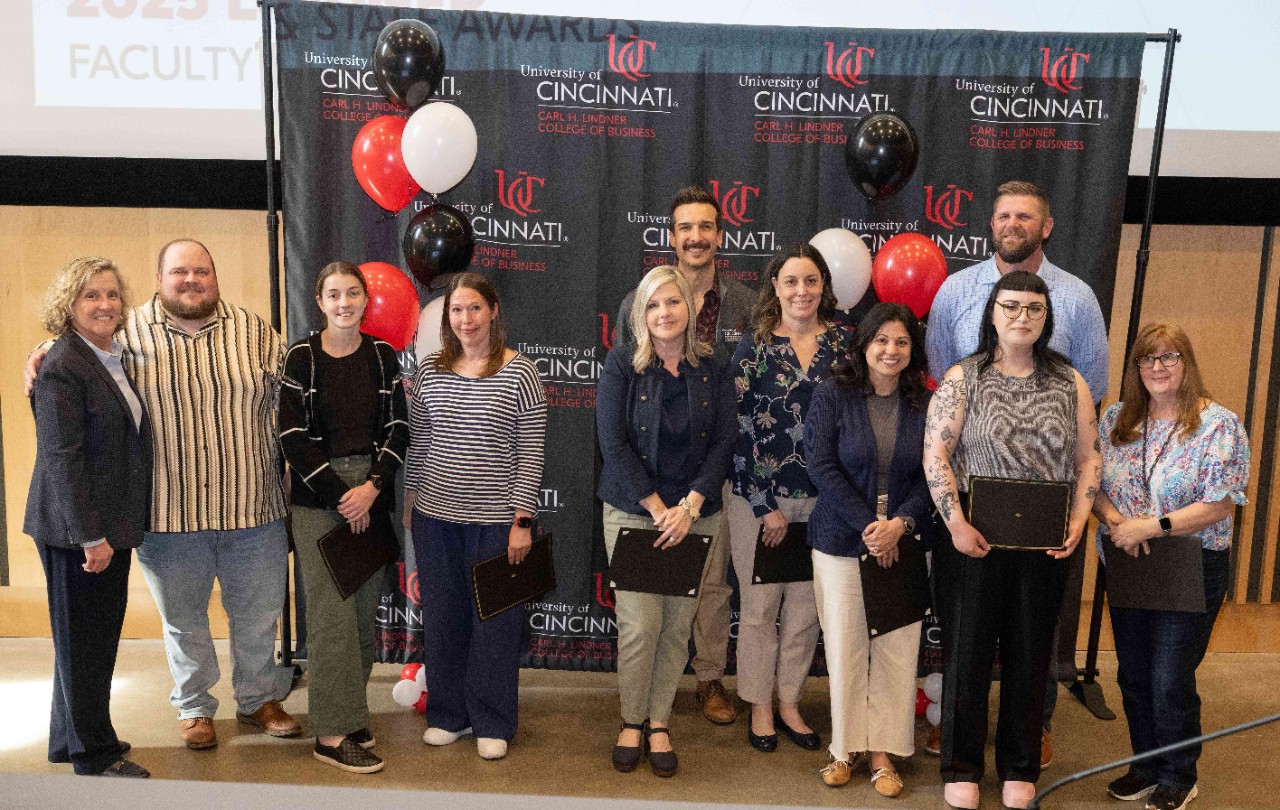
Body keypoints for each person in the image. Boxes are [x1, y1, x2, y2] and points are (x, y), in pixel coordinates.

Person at [25, 239, 298, 749]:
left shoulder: (256, 331)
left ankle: (259, 698)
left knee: (259, 617)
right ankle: (195, 708)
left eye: (202, 271)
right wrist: (39, 351)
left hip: (254, 508)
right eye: (179, 272)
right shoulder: (124, 331)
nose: (191, 280)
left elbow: (293, 400)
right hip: (167, 512)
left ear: (215, 277)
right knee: (183, 621)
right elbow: (74, 353)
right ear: (158, 279)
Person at [924, 180, 1110, 764]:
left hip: (1045, 523)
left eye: (1025, 216)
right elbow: (937, 376)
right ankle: (961, 743)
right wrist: (955, 520)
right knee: (968, 644)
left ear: (1045, 225)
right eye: (1003, 214)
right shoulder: (957, 293)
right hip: (972, 524)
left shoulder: (1077, 299)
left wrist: (1080, 516)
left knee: (1034, 647)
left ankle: (1029, 739)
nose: (1013, 224)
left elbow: (1094, 401)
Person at [1092, 324, 1248, 810]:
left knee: (1169, 678)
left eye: (1169, 357)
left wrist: (1149, 527)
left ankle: (1179, 775)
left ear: (1187, 363)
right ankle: (1145, 767)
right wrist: (1118, 522)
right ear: (1136, 369)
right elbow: (1091, 481)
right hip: (1128, 561)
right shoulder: (1117, 418)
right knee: (1133, 675)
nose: (1158, 368)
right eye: (1147, 360)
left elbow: (1221, 503)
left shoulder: (1218, 424)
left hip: (1191, 564)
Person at [616, 186, 755, 726]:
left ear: (720, 235)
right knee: (652, 592)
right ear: (671, 237)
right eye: (684, 228)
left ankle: (710, 678)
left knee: (713, 582)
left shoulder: (745, 303)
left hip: (718, 465)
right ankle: (650, 697)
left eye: (705, 227)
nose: (695, 237)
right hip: (652, 474)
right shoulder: (641, 298)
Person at [597, 265, 736, 777]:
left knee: (677, 628)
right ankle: (631, 718)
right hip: (636, 514)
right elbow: (611, 442)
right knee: (639, 626)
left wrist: (692, 506)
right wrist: (658, 508)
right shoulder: (622, 365)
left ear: (690, 308)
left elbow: (724, 441)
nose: (663, 313)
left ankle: (659, 721)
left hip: (696, 517)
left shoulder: (714, 366)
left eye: (672, 302)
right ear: (641, 313)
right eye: (652, 305)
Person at [404, 272, 546, 762]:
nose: (465, 319)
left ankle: (492, 719)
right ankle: (448, 714)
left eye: (474, 308)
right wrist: (409, 502)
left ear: (493, 312)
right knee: (443, 619)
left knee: (496, 625)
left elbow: (530, 453)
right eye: (456, 311)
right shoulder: (428, 371)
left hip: (497, 524)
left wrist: (522, 521)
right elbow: (419, 442)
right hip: (435, 517)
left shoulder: (520, 373)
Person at [278, 262, 409, 773]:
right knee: (331, 619)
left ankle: (350, 714)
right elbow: (292, 437)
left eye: (352, 293)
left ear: (364, 300)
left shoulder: (382, 355)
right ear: (320, 301)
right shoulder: (301, 356)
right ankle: (330, 735)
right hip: (318, 501)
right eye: (334, 294)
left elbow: (398, 426)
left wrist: (371, 489)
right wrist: (342, 496)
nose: (344, 302)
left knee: (360, 618)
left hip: (370, 494)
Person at [25, 257, 151, 778]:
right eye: (90, 296)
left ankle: (67, 737)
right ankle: (94, 754)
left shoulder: (109, 355)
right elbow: (61, 458)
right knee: (87, 644)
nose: (104, 304)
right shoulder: (63, 366)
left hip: (105, 523)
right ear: (69, 305)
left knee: (83, 639)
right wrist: (90, 536)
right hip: (79, 530)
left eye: (111, 295)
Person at [804, 303, 934, 798]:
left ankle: (883, 753)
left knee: (897, 651)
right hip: (840, 540)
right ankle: (844, 748)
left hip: (904, 541)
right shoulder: (834, 394)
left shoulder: (926, 402)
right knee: (846, 647)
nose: (891, 350)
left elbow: (934, 473)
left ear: (912, 350)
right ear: (863, 345)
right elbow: (820, 465)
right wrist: (868, 527)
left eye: (901, 342)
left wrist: (899, 525)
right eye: (881, 340)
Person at [727, 243, 849, 755]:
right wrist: (763, 505)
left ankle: (789, 701)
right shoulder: (752, 345)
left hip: (824, 502)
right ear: (774, 287)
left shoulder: (844, 345)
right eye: (791, 281)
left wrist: (838, 498)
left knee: (804, 610)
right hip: (760, 500)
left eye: (811, 281)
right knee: (758, 609)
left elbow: (853, 425)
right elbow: (735, 428)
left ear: (824, 287)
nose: (802, 291)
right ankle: (758, 703)